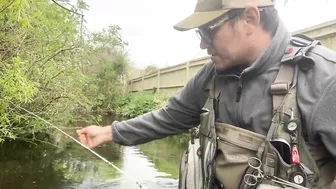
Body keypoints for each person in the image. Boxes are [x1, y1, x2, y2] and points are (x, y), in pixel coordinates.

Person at [77, 0, 336, 188]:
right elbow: (169, 117)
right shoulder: (211, 75)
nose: (202, 43)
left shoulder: (323, 77)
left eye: (208, 30)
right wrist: (108, 132)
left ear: (250, 18)